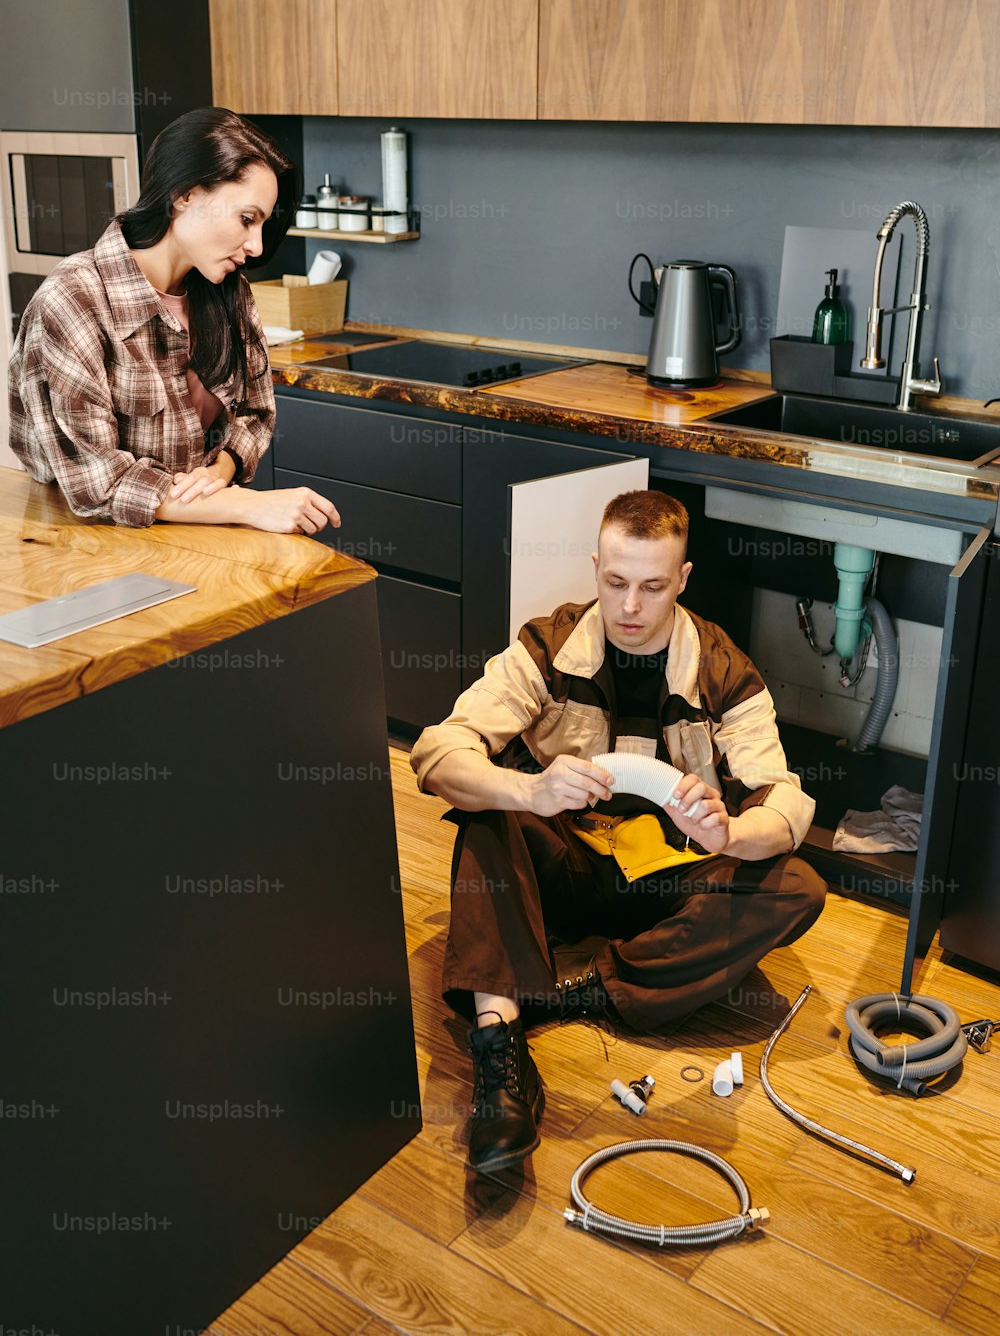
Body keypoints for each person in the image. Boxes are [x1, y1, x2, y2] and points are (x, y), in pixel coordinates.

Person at [411, 489, 826, 1175]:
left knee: (797, 886)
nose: (630, 607)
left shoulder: (725, 668)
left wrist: (729, 832)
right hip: (568, 860)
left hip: (666, 871)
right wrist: (531, 790)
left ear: (683, 580)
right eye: (615, 582)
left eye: (653, 587)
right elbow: (438, 750)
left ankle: (590, 989)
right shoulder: (546, 645)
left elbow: (786, 801)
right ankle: (501, 1044)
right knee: (484, 812)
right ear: (596, 564)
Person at [8, 107, 340, 535]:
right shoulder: (73, 300)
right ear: (185, 194)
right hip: (91, 543)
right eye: (246, 219)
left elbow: (256, 413)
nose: (256, 246)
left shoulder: (229, 294)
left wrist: (220, 471)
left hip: (201, 532)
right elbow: (98, 484)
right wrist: (241, 502)